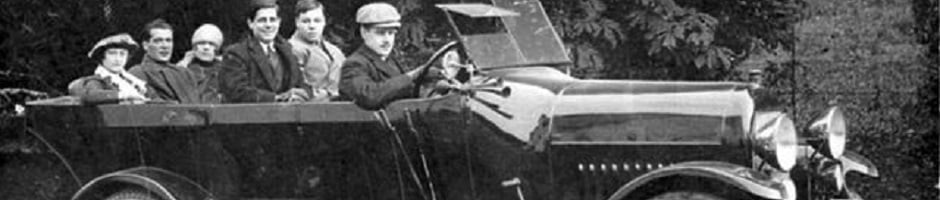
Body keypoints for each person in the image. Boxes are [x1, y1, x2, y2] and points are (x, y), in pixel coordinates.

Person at [339, 2, 435, 110]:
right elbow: (369, 96)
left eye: (391, 33)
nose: (387, 40)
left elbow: (408, 91)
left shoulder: (392, 61)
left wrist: (435, 87)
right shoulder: (355, 64)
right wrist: (412, 76)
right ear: (364, 32)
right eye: (380, 33)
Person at [220, 0, 309, 103]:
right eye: (262, 20)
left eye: (272, 20)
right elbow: (237, 91)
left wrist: (301, 94)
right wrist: (277, 98)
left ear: (279, 22)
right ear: (251, 23)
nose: (268, 25)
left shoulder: (287, 51)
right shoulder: (236, 54)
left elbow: (301, 84)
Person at [128, 19, 202, 104]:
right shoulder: (137, 73)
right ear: (146, 45)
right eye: (158, 41)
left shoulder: (185, 74)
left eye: (168, 40)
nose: (165, 46)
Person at [68, 33, 150, 104]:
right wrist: (123, 95)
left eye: (122, 54)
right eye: (112, 53)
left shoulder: (133, 81)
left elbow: (154, 98)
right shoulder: (97, 80)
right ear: (102, 57)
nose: (118, 59)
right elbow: (91, 95)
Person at [289, 0, 346, 102]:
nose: (312, 26)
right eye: (306, 21)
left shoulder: (334, 50)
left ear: (324, 22)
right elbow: (298, 86)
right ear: (297, 22)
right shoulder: (292, 49)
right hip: (312, 107)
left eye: (317, 21)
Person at [178, 24, 225, 103]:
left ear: (216, 48)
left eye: (211, 44)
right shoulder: (184, 69)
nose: (206, 47)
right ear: (195, 47)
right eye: (202, 43)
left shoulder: (225, 68)